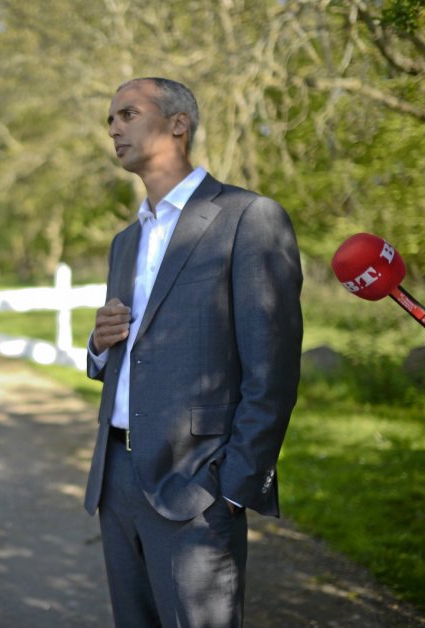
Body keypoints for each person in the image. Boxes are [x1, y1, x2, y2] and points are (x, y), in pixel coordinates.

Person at [84, 77, 303, 626]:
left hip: (196, 483)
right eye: (110, 118)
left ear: (177, 124)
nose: (113, 127)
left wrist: (232, 488)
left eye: (128, 114)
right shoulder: (125, 241)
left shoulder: (248, 218)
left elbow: (272, 372)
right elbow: (128, 356)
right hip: (115, 479)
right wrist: (98, 344)